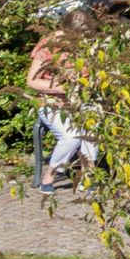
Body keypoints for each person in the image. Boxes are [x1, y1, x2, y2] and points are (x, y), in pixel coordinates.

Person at [26, 14, 94, 194]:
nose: (81, 41)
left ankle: (87, 177)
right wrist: (62, 88)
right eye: (77, 38)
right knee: (71, 137)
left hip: (81, 101)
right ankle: (49, 176)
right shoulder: (48, 46)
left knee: (92, 129)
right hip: (52, 103)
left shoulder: (87, 46)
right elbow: (31, 81)